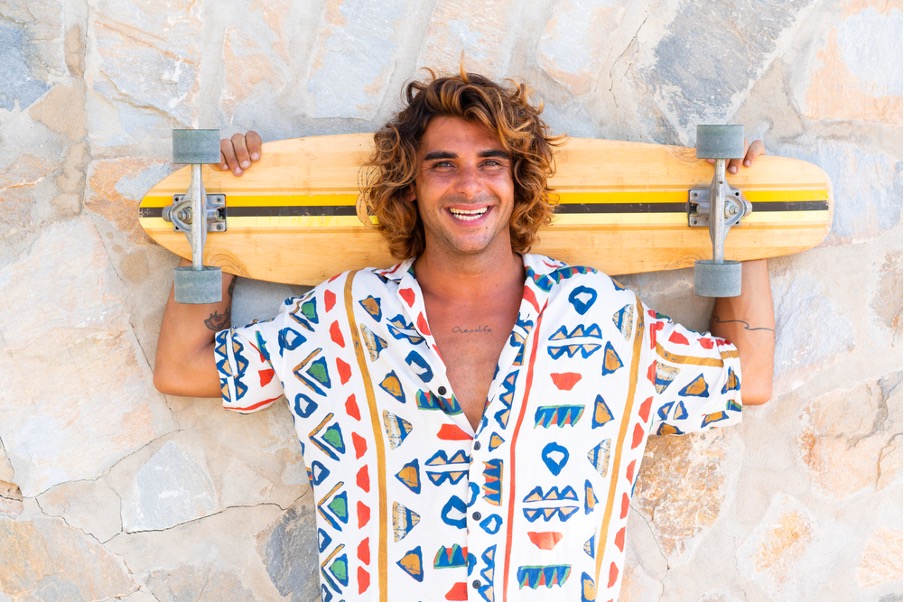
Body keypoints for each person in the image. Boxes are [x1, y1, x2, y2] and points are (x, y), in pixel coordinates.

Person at [154, 71, 774, 601]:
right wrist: (231, 210)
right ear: (412, 183)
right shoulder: (341, 318)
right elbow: (182, 367)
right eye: (442, 164)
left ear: (516, 181)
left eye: (491, 163)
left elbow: (748, 373)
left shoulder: (598, 316)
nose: (469, 185)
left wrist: (748, 219)